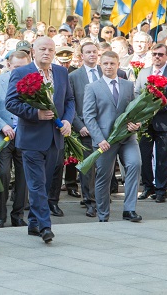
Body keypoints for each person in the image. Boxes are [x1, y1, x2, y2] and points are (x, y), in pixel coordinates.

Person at [5, 37, 75, 243]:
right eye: (42, 49)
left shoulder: (61, 72)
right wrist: (35, 113)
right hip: (32, 138)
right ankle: (45, 226)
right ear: (33, 52)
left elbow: (69, 100)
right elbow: (11, 102)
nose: (47, 52)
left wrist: (68, 121)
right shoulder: (21, 72)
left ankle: (34, 223)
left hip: (55, 137)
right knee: (36, 184)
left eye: (50, 49)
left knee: (44, 185)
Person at [83, 51, 142, 222]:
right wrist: (99, 139)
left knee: (135, 164)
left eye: (112, 64)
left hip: (127, 137)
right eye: (105, 63)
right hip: (105, 140)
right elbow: (89, 116)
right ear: (100, 65)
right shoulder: (92, 87)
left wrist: (137, 124)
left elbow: (136, 110)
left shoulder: (128, 86)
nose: (109, 67)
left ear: (118, 65)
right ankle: (103, 214)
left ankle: (129, 209)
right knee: (103, 176)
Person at [135, 43, 167, 203]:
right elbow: (136, 93)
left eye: (160, 54)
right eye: (154, 54)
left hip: (165, 122)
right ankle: (148, 187)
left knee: (163, 157)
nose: (157, 57)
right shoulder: (143, 72)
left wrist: (160, 106)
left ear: (166, 56)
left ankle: (161, 190)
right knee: (144, 156)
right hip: (145, 122)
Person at [0, 50, 29, 228]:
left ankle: (18, 215)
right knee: (3, 174)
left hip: (25, 137)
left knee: (23, 177)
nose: (20, 71)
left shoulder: (33, 83)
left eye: (24, 67)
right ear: (9, 65)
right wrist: (3, 125)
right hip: (2, 137)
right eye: (17, 67)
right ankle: (1, 214)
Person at [68, 41, 101, 217]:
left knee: (103, 166)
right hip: (85, 129)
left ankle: (101, 197)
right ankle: (90, 201)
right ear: (81, 56)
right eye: (88, 52)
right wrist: (79, 126)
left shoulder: (106, 72)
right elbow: (70, 104)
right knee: (88, 167)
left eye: (94, 52)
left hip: (105, 129)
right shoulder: (73, 77)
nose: (92, 55)